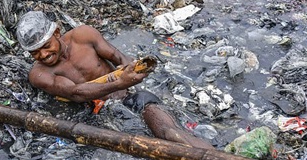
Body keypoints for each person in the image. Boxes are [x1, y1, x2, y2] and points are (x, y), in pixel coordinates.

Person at [16, 10, 213, 149]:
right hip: (97, 117)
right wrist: (121, 82)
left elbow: (118, 57)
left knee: (169, 132)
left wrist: (133, 71)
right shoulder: (39, 74)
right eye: (35, 52)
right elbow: (75, 93)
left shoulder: (83, 35)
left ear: (57, 33)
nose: (43, 55)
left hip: (127, 97)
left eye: (46, 46)